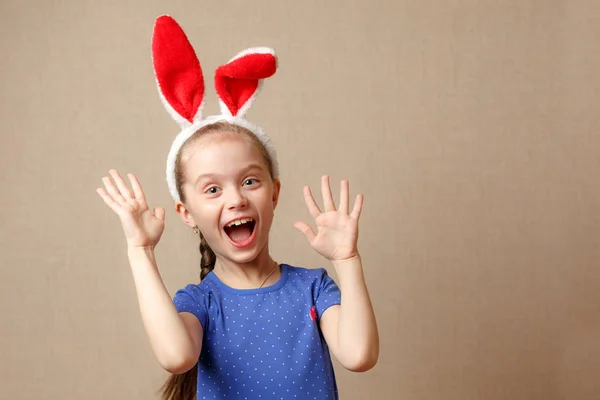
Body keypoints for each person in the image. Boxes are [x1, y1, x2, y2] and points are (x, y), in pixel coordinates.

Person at [96, 15, 378, 400]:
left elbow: (359, 354)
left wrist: (347, 260)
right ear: (187, 214)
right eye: (212, 189)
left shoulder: (312, 287)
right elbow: (177, 356)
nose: (236, 199)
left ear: (274, 193)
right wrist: (140, 251)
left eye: (249, 181)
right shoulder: (200, 303)